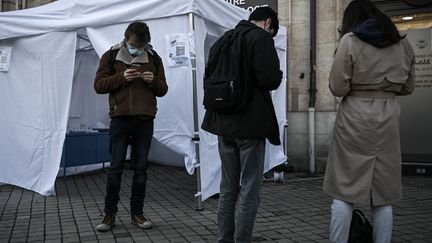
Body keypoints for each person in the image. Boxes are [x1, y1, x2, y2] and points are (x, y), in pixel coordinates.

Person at [322, 1, 415, 242]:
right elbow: (408, 87)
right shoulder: (402, 43)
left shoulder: (350, 41)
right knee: (384, 193)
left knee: (344, 190)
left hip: (354, 118)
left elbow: (337, 87)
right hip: (388, 119)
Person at [201, 7, 283, 243]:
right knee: (249, 188)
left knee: (227, 187)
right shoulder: (261, 38)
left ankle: (224, 239)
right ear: (268, 23)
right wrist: (277, 74)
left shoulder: (224, 39)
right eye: (272, 30)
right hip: (250, 125)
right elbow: (268, 79)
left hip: (222, 123)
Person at [94, 21, 168, 232]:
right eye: (136, 44)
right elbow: (98, 85)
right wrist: (121, 77)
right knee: (115, 168)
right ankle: (109, 215)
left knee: (141, 170)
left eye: (143, 45)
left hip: (145, 121)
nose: (139, 48)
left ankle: (137, 213)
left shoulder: (154, 58)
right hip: (120, 119)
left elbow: (163, 90)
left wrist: (153, 81)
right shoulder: (110, 57)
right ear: (126, 39)